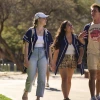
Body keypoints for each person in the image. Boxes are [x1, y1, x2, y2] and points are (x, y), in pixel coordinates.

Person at [22, 12, 53, 100]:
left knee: (42, 78)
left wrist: (51, 60)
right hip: (33, 54)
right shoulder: (30, 31)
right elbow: (26, 46)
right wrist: (25, 59)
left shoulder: (47, 33)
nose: (45, 20)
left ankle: (38, 97)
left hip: (43, 55)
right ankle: (26, 91)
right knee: (31, 76)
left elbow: (50, 48)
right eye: (44, 18)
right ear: (38, 19)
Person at [51, 20, 84, 100]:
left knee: (69, 79)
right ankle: (66, 97)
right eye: (69, 25)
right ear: (65, 29)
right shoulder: (60, 38)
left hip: (73, 59)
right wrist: (53, 63)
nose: (71, 26)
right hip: (63, 59)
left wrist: (80, 58)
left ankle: (67, 96)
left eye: (71, 25)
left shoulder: (76, 37)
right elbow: (56, 51)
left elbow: (81, 48)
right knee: (64, 78)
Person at [78, 3, 100, 100]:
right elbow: (83, 42)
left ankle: (98, 95)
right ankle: (92, 97)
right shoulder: (87, 27)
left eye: (94, 11)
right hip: (91, 53)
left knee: (99, 76)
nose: (92, 13)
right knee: (92, 75)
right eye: (91, 11)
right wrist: (80, 38)